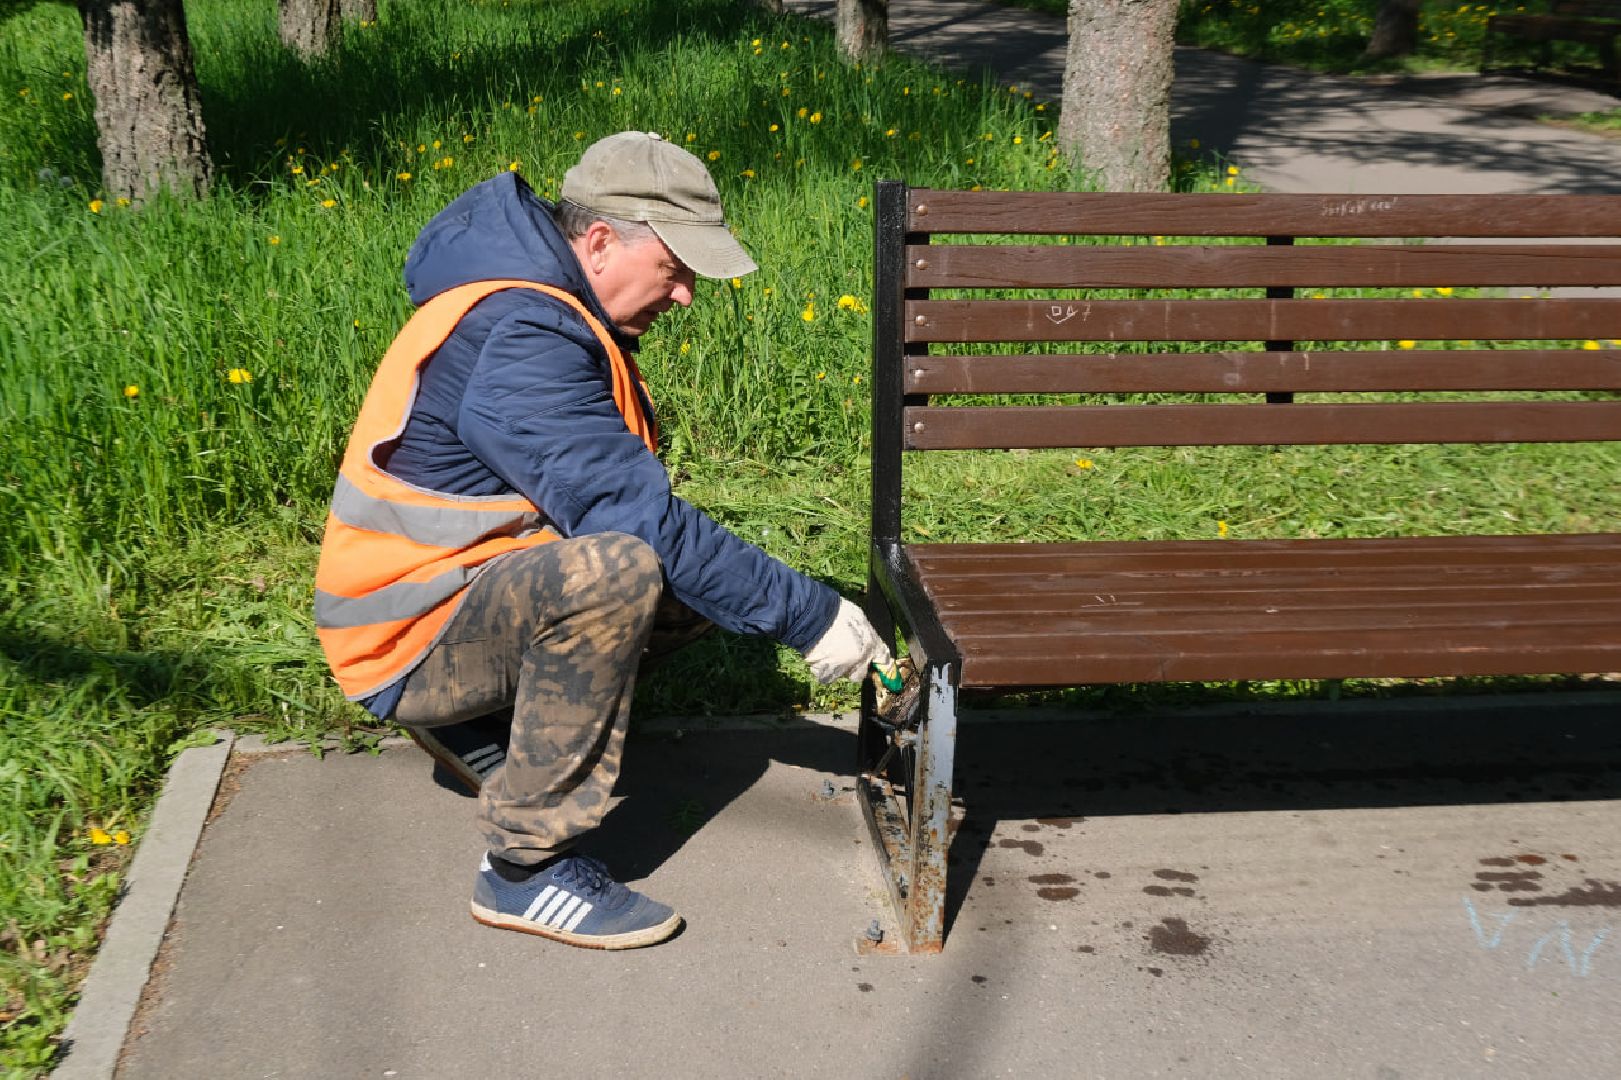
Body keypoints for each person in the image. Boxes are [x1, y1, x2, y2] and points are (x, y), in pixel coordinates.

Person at [313, 131, 892, 950]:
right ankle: (524, 870)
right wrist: (810, 618)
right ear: (597, 242)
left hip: (448, 601)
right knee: (621, 568)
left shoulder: (535, 309)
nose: (686, 294)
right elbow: (630, 523)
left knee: (688, 577)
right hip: (404, 638)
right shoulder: (521, 335)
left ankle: (483, 729)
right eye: (676, 267)